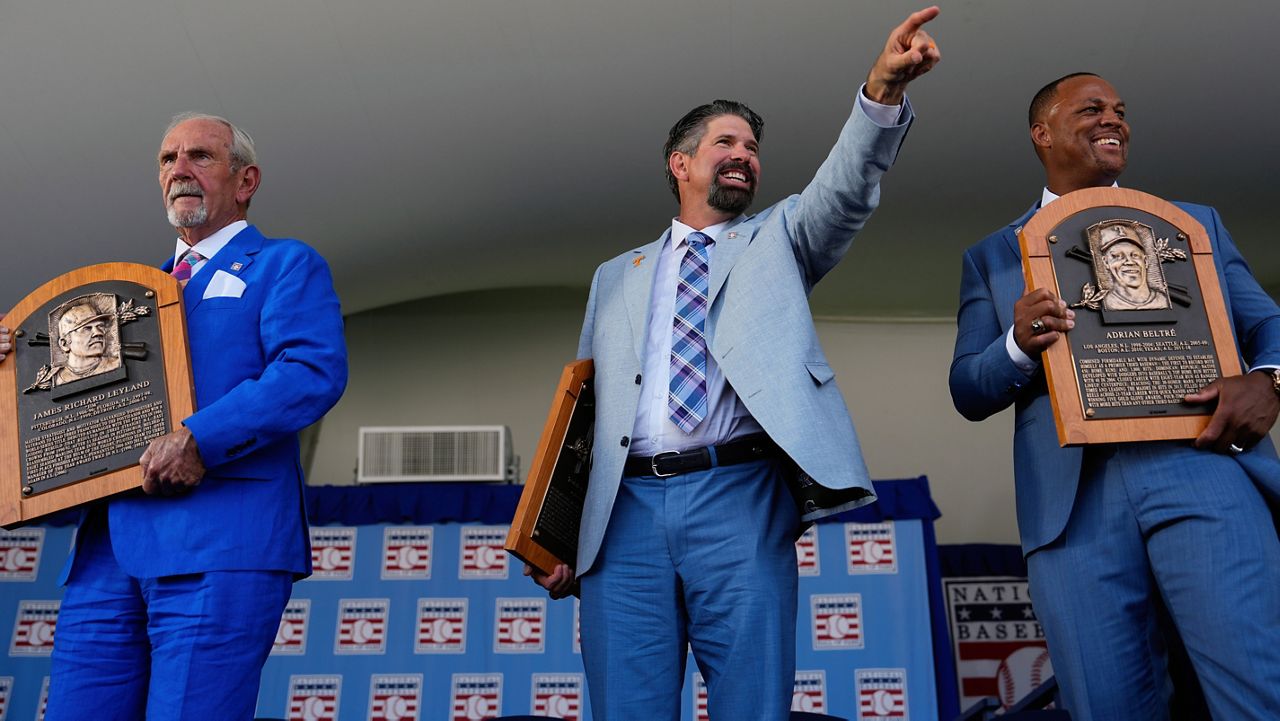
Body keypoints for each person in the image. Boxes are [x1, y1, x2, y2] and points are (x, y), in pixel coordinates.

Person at [527, 8, 941, 720]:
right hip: (621, 513)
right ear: (680, 162)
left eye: (752, 145)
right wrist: (557, 529)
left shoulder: (779, 238)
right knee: (626, 704)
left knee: (753, 700)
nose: (745, 154)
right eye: (726, 141)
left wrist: (881, 91)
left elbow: (844, 187)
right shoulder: (614, 276)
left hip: (739, 494)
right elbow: (586, 411)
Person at [949, 72, 1280, 720]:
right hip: (1073, 505)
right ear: (1042, 133)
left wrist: (1270, 377)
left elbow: (1268, 323)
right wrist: (1016, 343)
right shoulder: (992, 255)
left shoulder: (1190, 224)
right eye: (1093, 109)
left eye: (1121, 112)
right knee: (1104, 705)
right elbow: (967, 386)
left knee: (1256, 685)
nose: (1115, 120)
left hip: (1201, 461)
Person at [39, 112, 348, 720]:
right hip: (108, 548)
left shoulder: (285, 264)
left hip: (221, 542)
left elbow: (310, 371)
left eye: (200, 157)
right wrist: (11, 365)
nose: (179, 170)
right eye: (167, 159)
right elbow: (65, 409)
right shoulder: (120, 298)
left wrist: (198, 439)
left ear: (246, 180)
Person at [1096, 223, 1169, 310]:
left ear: (1145, 261)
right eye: (1117, 256)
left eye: (1135, 255)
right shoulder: (1107, 303)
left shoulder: (1163, 301)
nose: (1129, 262)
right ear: (1105, 262)